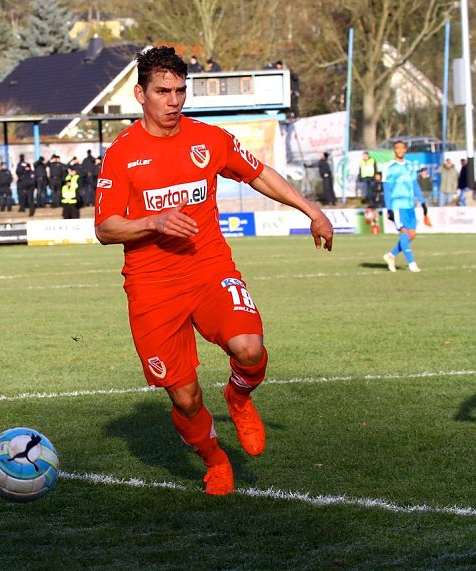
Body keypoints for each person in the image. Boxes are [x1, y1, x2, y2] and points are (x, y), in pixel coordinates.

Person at [94, 46, 334, 496]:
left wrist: (310, 209)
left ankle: (238, 398)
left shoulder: (209, 139)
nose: (174, 100)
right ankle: (215, 459)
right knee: (184, 397)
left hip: (208, 267)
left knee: (248, 347)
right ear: (140, 94)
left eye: (180, 91)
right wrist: (153, 221)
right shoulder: (122, 154)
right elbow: (106, 228)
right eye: (163, 91)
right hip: (152, 285)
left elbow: (258, 173)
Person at [382, 140, 424, 273]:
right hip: (397, 205)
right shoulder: (389, 166)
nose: (400, 150)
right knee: (404, 233)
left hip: (409, 205)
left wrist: (422, 202)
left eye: (402, 148)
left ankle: (391, 255)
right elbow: (386, 189)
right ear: (394, 150)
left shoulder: (410, 166)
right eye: (397, 148)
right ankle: (411, 263)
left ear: (406, 150)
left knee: (412, 235)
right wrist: (389, 208)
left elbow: (415, 185)